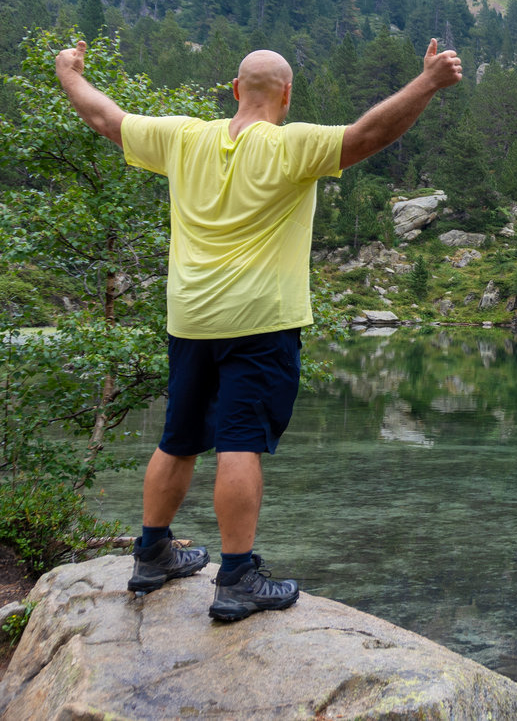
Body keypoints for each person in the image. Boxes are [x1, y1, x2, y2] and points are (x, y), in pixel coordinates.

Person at [55, 37, 462, 621]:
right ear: (287, 95)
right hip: (260, 322)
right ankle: (238, 576)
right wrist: (426, 82)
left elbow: (105, 116)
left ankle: (151, 553)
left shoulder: (182, 137)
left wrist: (69, 73)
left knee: (179, 436)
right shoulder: (291, 145)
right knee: (240, 441)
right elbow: (368, 135)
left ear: (236, 89)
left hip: (190, 319)